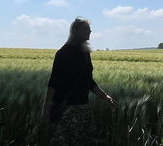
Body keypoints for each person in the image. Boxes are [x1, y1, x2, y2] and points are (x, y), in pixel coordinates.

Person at [39, 17, 116, 145]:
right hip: (66, 110)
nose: (90, 31)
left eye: (89, 28)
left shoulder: (85, 53)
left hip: (83, 108)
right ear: (75, 31)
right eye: (86, 28)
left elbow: (88, 81)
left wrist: (105, 97)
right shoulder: (64, 53)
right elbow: (53, 82)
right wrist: (46, 108)